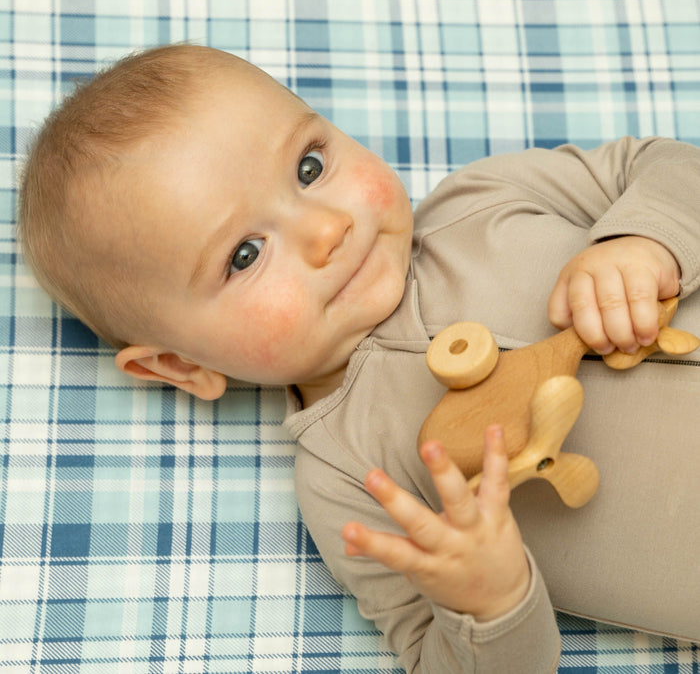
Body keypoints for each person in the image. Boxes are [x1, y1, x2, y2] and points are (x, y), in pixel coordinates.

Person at [17, 43, 700, 673]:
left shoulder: (487, 197)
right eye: (244, 255)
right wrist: (489, 606)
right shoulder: (349, 481)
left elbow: (668, 165)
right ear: (178, 366)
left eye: (309, 167)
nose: (327, 229)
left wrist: (644, 241)